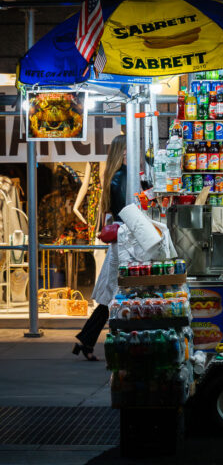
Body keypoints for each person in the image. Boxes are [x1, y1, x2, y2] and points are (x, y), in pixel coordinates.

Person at [73, 135, 127, 361]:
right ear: (122, 152)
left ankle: (86, 340)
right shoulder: (121, 177)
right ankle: (98, 341)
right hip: (125, 242)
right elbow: (127, 209)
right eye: (128, 150)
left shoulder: (114, 176)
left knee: (110, 294)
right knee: (114, 294)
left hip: (120, 241)